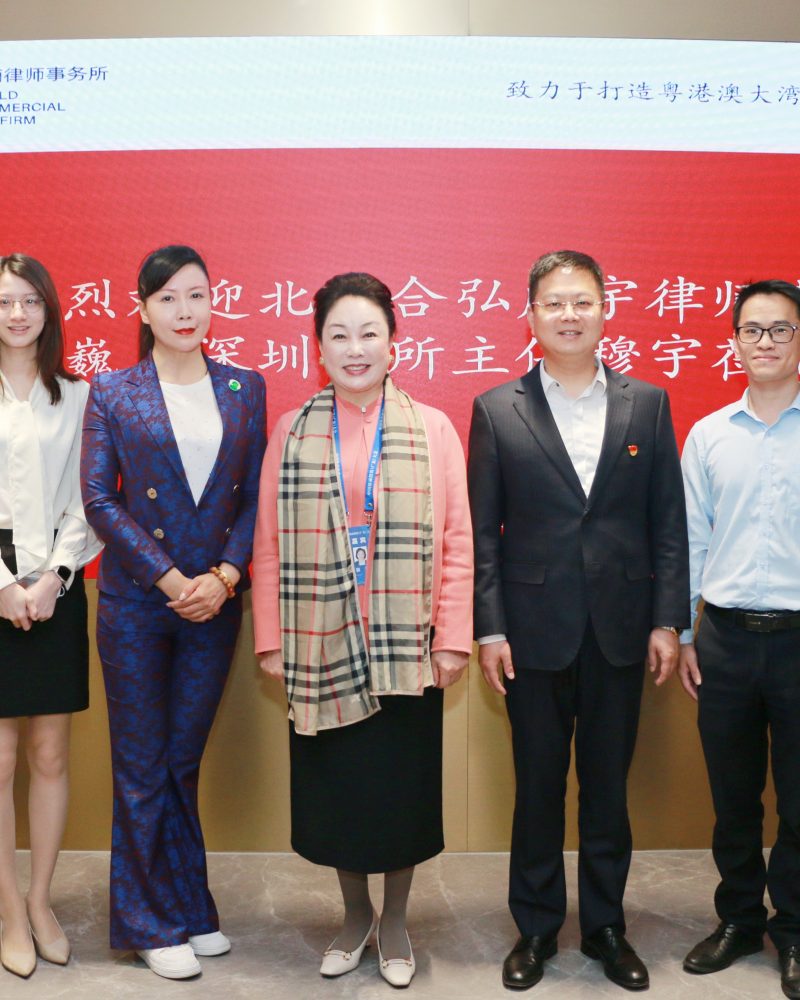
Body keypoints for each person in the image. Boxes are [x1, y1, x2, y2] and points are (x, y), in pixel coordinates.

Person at [468, 249, 689, 992]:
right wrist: (490, 629)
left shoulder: (646, 403)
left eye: (582, 301)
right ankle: (534, 928)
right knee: (537, 787)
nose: (569, 315)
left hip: (622, 628)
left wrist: (668, 620)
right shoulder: (497, 409)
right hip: (531, 632)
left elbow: (667, 523)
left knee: (606, 790)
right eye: (554, 303)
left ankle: (604, 928)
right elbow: (484, 533)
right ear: (531, 315)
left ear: (604, 310)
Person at [252, 272, 473, 989]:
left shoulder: (432, 429)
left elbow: (458, 542)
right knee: (338, 793)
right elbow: (266, 545)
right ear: (318, 347)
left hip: (408, 644)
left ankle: (397, 919)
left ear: (393, 343)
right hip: (319, 640)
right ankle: (355, 916)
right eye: (339, 335)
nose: (355, 348)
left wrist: (452, 637)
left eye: (369, 333)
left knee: (401, 791)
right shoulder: (292, 431)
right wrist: (272, 639)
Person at [80, 245, 266, 980]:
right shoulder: (112, 390)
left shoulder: (244, 388)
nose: (184, 311)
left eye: (196, 295)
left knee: (180, 760)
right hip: (137, 604)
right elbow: (101, 500)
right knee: (140, 765)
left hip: (214, 605)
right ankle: (146, 922)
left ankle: (189, 906)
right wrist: (168, 578)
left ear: (213, 301)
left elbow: (253, 495)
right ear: (143, 309)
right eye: (167, 299)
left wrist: (225, 575)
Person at [679, 280, 800, 1000]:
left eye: (780, 329)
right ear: (734, 343)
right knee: (734, 796)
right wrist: (683, 632)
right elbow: (691, 540)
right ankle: (739, 919)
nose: (765, 342)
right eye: (752, 330)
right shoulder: (709, 435)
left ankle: (795, 929)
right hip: (723, 638)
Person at [0, 254, 101, 979]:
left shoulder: (78, 395)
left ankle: (40, 901)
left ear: (49, 309)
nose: (17, 314)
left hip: (55, 594)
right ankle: (8, 909)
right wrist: (3, 584)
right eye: (5, 301)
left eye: (30, 300)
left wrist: (54, 578)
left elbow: (87, 500)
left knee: (49, 756)